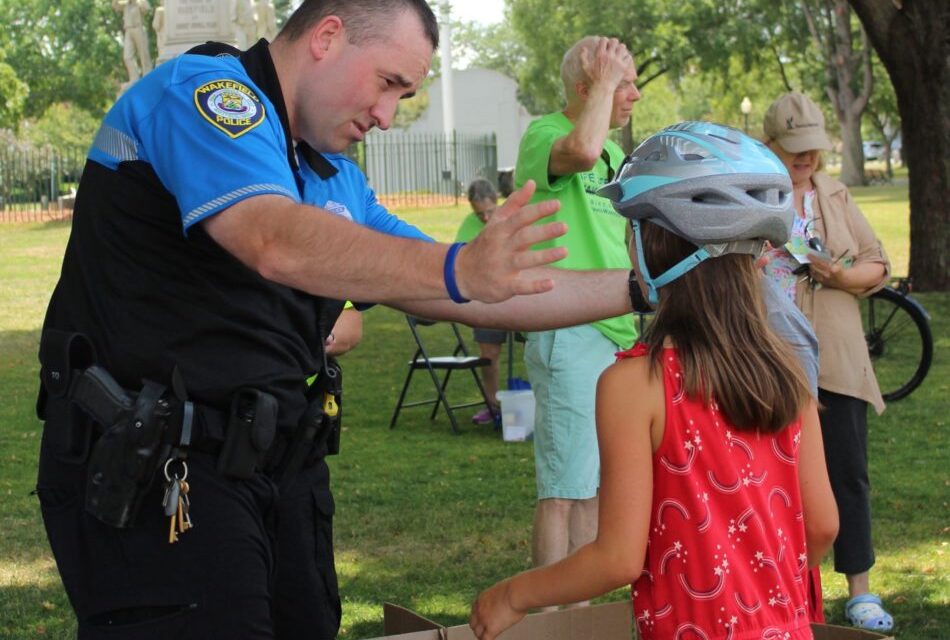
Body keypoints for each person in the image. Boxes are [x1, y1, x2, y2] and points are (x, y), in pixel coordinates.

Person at [34, 1, 638, 637]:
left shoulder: (332, 177)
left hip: (276, 473)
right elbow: (273, 236)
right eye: (387, 84)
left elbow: (484, 289)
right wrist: (463, 272)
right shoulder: (206, 96)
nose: (386, 116)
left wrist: (645, 288)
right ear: (327, 36)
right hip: (162, 477)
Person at [469, 121, 840, 640]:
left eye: (632, 229)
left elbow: (617, 557)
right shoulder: (786, 373)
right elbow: (821, 526)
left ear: (653, 246)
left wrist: (513, 595)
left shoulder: (634, 385)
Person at [761, 91, 893, 632]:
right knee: (776, 478)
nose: (805, 158)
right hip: (769, 359)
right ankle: (784, 584)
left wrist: (838, 276)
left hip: (836, 358)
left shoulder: (835, 195)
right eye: (794, 148)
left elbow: (877, 263)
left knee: (848, 473)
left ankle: (859, 590)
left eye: (812, 148)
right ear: (767, 144)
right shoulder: (751, 196)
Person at [513, 35, 640, 597]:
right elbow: (581, 153)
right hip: (569, 327)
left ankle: (583, 612)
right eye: (622, 82)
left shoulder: (614, 154)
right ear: (588, 89)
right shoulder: (546, 135)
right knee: (562, 488)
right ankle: (548, 621)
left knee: (592, 485)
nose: (633, 94)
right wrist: (604, 83)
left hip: (616, 326)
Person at [455, 178, 506, 424]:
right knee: (489, 353)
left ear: (496, 200)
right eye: (479, 214)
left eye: (489, 211)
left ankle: (531, 405)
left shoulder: (511, 217)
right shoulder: (468, 225)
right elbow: (461, 260)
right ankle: (492, 405)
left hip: (521, 296)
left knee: (535, 351)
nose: (485, 218)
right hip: (487, 299)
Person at [112, 0, 152, 85]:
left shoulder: (140, 2)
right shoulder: (125, 4)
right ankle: (134, 78)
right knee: (127, 56)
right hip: (128, 30)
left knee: (143, 54)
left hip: (138, 28)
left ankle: (147, 75)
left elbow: (147, 8)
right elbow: (115, 6)